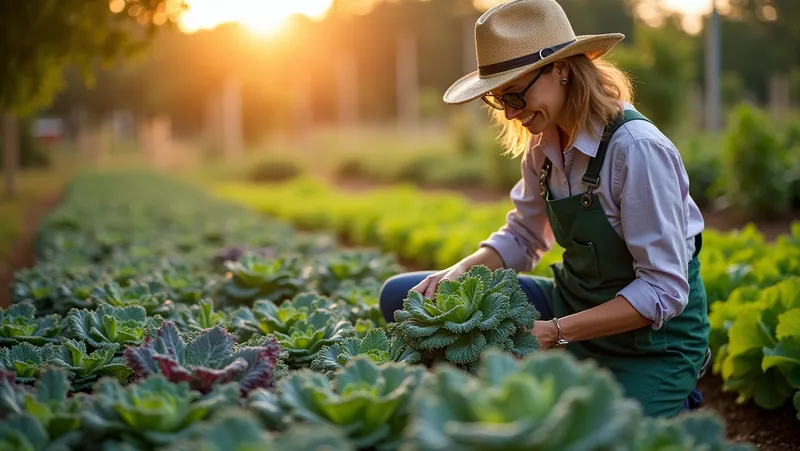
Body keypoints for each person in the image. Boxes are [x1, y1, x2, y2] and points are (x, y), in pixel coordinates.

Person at [378, 0, 710, 418]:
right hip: (569, 309)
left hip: (649, 344)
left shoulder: (637, 150)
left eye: (517, 93)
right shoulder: (543, 146)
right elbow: (524, 236)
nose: (513, 114)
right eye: (501, 100)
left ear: (562, 69)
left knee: (601, 434)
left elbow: (664, 289)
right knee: (402, 297)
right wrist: (459, 271)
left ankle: (672, 396)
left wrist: (555, 333)